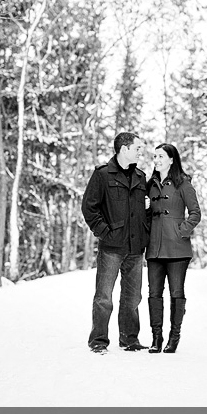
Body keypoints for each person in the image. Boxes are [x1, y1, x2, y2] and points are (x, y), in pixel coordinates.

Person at [81, 132, 151, 354]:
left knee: (133, 298)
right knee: (104, 297)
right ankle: (98, 341)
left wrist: (145, 232)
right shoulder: (103, 175)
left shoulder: (141, 177)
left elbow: (144, 211)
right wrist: (104, 232)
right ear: (124, 149)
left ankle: (129, 339)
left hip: (135, 247)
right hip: (111, 247)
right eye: (137, 148)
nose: (141, 152)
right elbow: (89, 208)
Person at [145, 143, 201, 353]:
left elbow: (195, 213)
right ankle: (156, 338)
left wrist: (181, 231)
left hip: (177, 248)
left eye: (160, 156)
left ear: (171, 159)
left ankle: (174, 337)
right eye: (155, 156)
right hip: (155, 248)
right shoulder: (150, 185)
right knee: (154, 293)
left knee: (177, 292)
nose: (156, 160)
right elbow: (148, 217)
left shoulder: (183, 183)